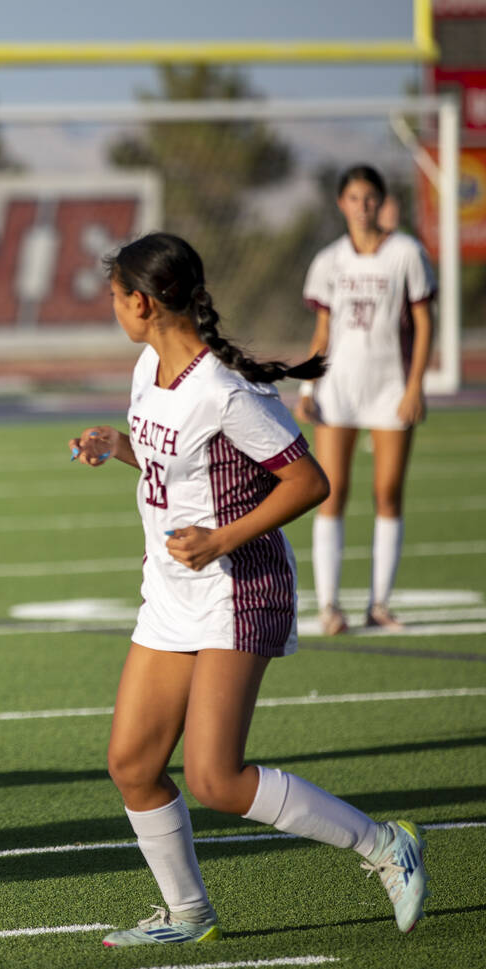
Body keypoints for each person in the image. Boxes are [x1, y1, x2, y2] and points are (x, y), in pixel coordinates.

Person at [70, 233, 429, 947]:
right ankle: (187, 913)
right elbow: (173, 463)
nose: (112, 307)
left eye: (115, 296)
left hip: (239, 588)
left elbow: (309, 481)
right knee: (133, 764)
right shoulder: (149, 368)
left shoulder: (225, 391)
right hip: (171, 591)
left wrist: (220, 540)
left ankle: (387, 844)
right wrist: (119, 446)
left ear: (142, 302)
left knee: (216, 776)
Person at [296, 164, 435, 636]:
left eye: (370, 197)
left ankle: (379, 604)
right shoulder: (329, 261)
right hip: (338, 389)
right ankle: (330, 606)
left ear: (382, 201)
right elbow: (321, 333)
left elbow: (423, 322)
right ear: (341, 203)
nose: (362, 206)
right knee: (330, 492)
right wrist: (308, 387)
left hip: (390, 386)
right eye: (353, 198)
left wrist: (415, 386)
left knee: (387, 493)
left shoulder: (407, 253)